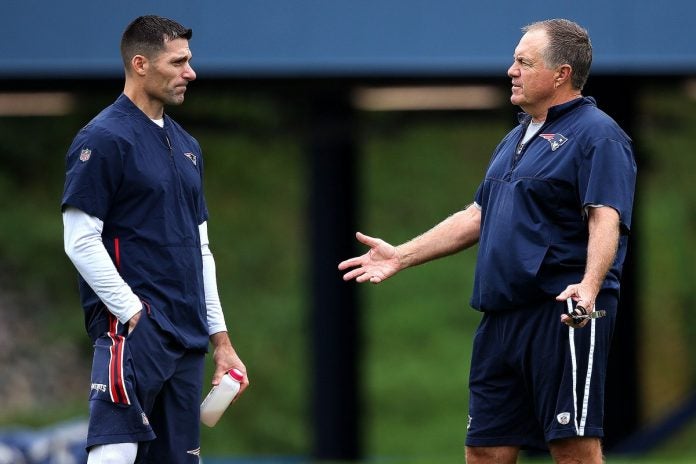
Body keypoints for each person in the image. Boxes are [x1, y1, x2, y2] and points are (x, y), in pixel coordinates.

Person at [339, 19, 636, 464]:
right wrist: (400, 256)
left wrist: (589, 287)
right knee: (484, 449)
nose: (510, 70)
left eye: (523, 62)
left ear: (561, 74)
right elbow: (477, 215)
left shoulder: (599, 135)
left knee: (572, 445)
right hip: (500, 318)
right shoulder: (516, 136)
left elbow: (605, 218)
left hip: (562, 311)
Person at [62, 15, 248, 463]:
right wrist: (132, 314)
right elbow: (80, 240)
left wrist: (220, 339)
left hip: (188, 338)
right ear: (141, 64)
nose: (191, 73)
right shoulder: (103, 138)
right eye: (179, 62)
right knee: (115, 452)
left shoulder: (188, 146)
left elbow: (200, 249)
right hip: (134, 332)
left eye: (190, 61)